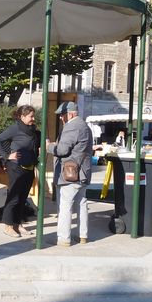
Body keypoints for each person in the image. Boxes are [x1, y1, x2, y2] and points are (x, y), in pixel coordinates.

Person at [46, 101, 93, 247]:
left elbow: (62, 151)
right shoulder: (85, 126)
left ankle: (64, 238)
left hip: (70, 173)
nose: (61, 118)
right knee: (81, 203)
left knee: (65, 206)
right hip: (83, 172)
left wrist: (49, 146)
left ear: (70, 114)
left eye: (62, 115)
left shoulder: (71, 126)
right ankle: (83, 235)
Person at [0, 105, 40, 238]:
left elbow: (35, 142)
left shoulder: (32, 129)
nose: (33, 118)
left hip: (29, 167)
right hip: (15, 167)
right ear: (22, 117)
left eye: (33, 116)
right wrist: (7, 155)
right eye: (31, 116)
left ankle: (17, 224)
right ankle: (8, 226)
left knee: (23, 197)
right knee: (14, 197)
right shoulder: (15, 128)